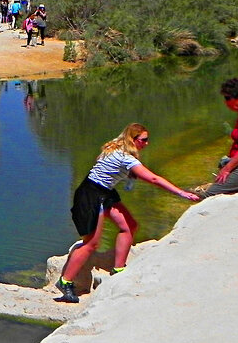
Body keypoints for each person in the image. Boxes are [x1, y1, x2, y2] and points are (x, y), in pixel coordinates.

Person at [55, 123, 199, 303]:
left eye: (147, 140)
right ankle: (65, 282)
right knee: (91, 243)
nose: (146, 143)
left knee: (129, 226)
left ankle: (119, 269)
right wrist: (181, 193)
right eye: (143, 140)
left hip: (105, 193)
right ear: (133, 139)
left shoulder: (117, 144)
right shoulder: (125, 157)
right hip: (91, 194)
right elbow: (153, 178)